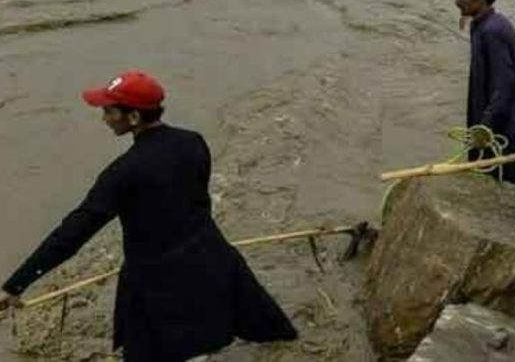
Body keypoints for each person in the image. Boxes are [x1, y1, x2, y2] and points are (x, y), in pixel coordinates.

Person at [0, 72, 297, 361]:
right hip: (214, 263)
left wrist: (15, 285)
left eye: (109, 110)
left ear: (133, 118)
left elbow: (73, 233)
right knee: (208, 340)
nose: (104, 117)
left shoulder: (123, 173)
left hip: (161, 289)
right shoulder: (193, 142)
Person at [450, 0, 515, 190]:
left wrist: (485, 126)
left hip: (501, 126)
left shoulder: (493, 32)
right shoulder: (482, 25)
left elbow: (503, 85)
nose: (457, 2)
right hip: (487, 116)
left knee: (507, 181)